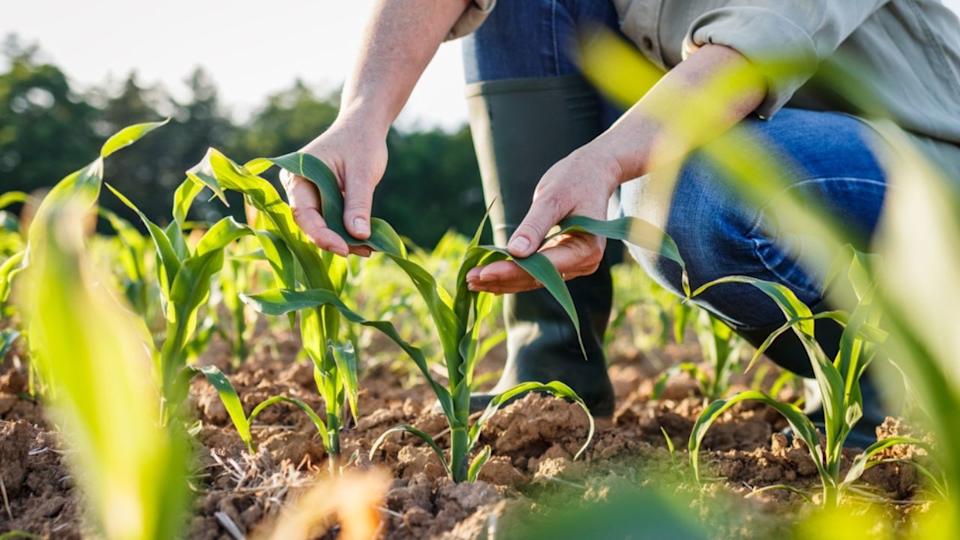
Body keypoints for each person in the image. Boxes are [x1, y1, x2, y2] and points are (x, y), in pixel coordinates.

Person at [282, 0, 960, 445]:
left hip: (921, 157)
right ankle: (553, 372)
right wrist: (362, 116)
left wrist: (609, 161)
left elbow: (757, 45)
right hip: (762, 138)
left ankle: (905, 387)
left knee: (684, 190)